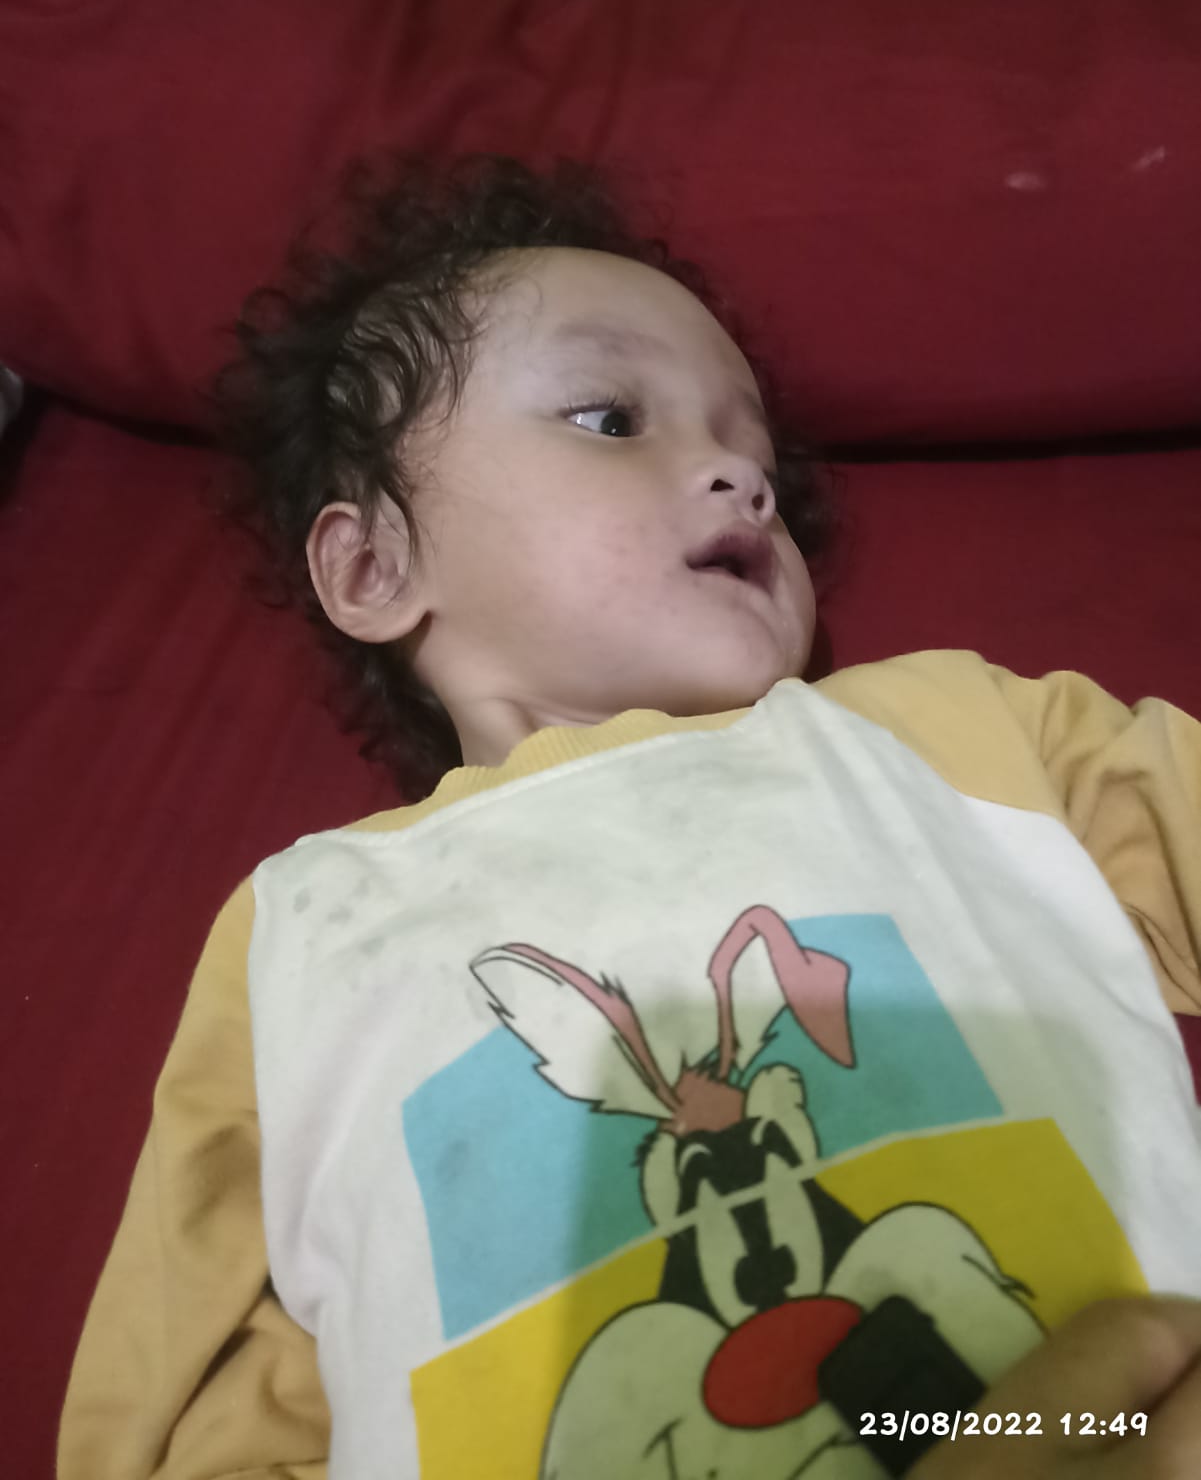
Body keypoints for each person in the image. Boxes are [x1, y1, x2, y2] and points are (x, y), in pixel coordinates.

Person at [59, 152, 1201, 1479]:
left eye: (758, 456)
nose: (740, 477)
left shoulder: (948, 730)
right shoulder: (303, 925)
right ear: (373, 565)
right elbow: (203, 1390)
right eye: (610, 419)